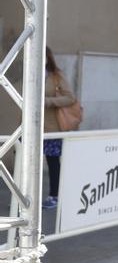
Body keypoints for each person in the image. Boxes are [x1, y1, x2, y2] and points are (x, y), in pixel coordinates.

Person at [43, 47, 77, 209]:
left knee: (52, 162)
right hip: (29, 126)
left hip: (52, 128)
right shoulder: (29, 73)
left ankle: (54, 196)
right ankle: (23, 200)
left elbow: (70, 98)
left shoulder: (56, 75)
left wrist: (48, 101)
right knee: (23, 160)